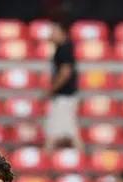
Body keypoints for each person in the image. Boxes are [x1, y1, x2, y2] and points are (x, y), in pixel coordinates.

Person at [44, 21, 81, 151]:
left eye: (54, 31)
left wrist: (52, 89)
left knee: (56, 131)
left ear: (62, 32)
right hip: (65, 97)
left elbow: (65, 72)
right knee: (69, 131)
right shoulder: (62, 48)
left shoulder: (65, 49)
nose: (51, 34)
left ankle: (46, 159)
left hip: (64, 97)